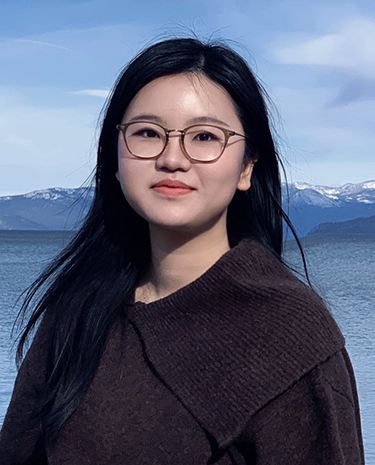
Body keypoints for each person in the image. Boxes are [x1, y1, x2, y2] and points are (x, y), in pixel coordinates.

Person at [0, 37, 364, 464]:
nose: (173, 158)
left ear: (247, 166)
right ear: (114, 159)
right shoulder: (79, 309)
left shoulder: (291, 336)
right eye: (148, 133)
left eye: (205, 136)